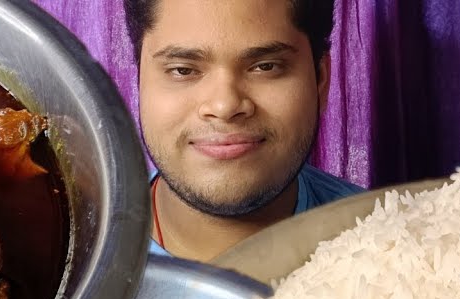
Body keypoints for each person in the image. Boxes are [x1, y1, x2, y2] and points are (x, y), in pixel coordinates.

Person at [125, 0, 363, 262]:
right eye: (183, 70)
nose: (224, 106)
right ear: (139, 81)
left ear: (321, 81)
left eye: (266, 66)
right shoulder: (89, 252)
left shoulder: (385, 243)